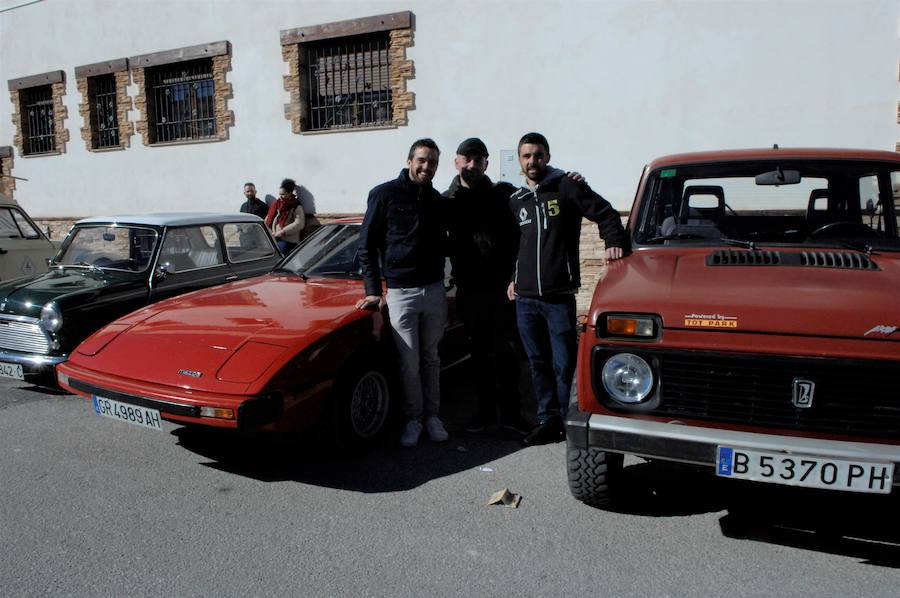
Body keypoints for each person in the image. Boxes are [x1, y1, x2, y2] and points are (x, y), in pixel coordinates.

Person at [507, 132, 628, 446]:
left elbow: (606, 213)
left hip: (558, 297)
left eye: (537, 155)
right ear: (519, 160)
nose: (532, 161)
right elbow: (518, 246)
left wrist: (614, 243)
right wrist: (513, 277)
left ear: (547, 156)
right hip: (525, 300)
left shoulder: (567, 186)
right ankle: (547, 420)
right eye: (526, 156)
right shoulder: (516, 200)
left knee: (563, 364)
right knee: (536, 363)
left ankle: (567, 420)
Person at [356, 139, 449, 448]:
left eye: (433, 162)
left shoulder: (436, 200)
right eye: (422, 160)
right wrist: (372, 290)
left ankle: (432, 417)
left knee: (431, 358)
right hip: (400, 292)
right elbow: (366, 246)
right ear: (410, 160)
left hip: (434, 289)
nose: (427, 166)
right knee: (409, 361)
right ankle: (414, 419)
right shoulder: (384, 195)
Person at [443, 138, 530, 435]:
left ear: (486, 164)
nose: (472, 164)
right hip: (469, 290)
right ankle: (483, 411)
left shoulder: (503, 195)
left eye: (478, 159)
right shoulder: (448, 201)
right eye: (466, 158)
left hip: (503, 290)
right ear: (456, 162)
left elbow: (527, 227)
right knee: (478, 354)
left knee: (507, 352)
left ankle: (512, 412)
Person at [265, 178, 305, 254]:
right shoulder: (278, 204)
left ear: (290, 193)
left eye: (283, 194)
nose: (280, 197)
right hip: (276, 237)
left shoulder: (296, 205)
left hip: (289, 240)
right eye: (280, 194)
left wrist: (283, 232)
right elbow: (269, 217)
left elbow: (299, 224)